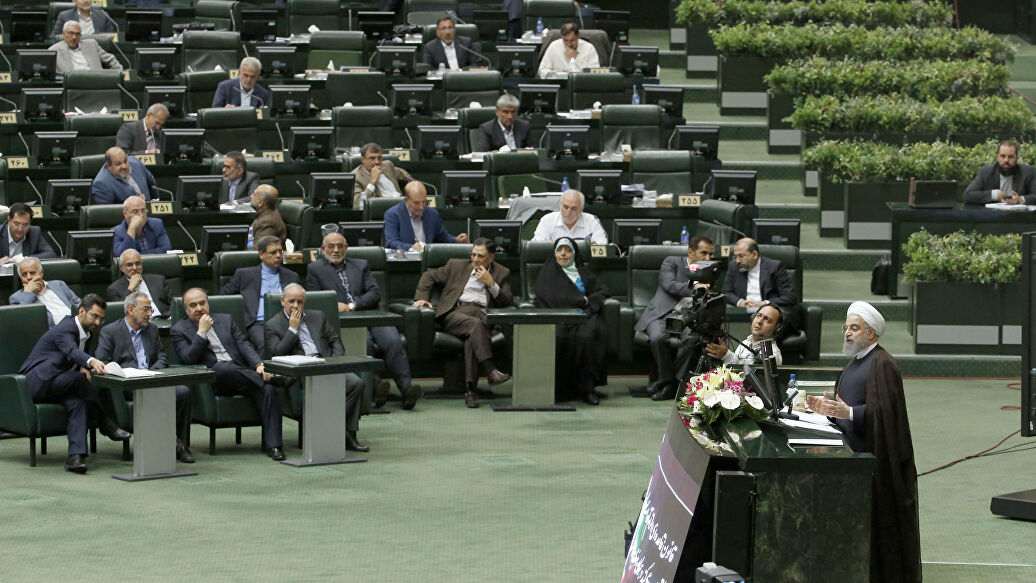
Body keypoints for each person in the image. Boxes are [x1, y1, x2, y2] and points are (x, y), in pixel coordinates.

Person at [807, 302, 921, 583]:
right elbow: (846, 407)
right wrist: (828, 409)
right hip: (852, 457)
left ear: (872, 333)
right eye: (846, 327)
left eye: (855, 328)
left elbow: (887, 414)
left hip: (875, 463)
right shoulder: (855, 362)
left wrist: (849, 413)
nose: (848, 333)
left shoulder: (882, 363)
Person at [307, 232, 422, 410]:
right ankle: (375, 386)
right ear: (323, 249)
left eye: (340, 246)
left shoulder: (361, 265)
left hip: (371, 314)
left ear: (346, 248)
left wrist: (352, 305)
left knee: (393, 341)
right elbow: (315, 299)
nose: (336, 250)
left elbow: (374, 293)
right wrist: (333, 305)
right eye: (331, 246)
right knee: (364, 344)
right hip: (345, 321)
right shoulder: (315, 269)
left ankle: (407, 389)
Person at [19, 294, 131, 474]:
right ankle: (105, 422)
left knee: (78, 403)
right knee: (80, 380)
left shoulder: (88, 332)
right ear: (81, 311)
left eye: (101, 319)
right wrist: (91, 361)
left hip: (60, 384)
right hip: (38, 383)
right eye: (94, 316)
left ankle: (75, 457)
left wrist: (85, 367)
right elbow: (71, 351)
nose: (97, 322)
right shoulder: (66, 328)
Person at [171, 288, 285, 461]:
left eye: (202, 303)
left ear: (208, 304)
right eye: (193, 305)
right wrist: (201, 333)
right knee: (222, 368)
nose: (199, 308)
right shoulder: (179, 330)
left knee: (268, 390)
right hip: (214, 380)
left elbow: (244, 345)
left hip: (241, 376)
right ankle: (275, 379)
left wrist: (259, 364)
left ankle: (274, 446)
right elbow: (188, 359)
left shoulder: (225, 320)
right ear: (186, 310)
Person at [265, 284, 369, 452]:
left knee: (356, 383)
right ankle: (340, 433)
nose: (295, 306)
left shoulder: (318, 317)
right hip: (302, 372)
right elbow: (277, 354)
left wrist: (332, 364)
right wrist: (293, 329)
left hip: (326, 366)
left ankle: (345, 432)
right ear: (283, 301)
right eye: (291, 301)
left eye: (300, 301)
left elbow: (335, 341)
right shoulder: (273, 325)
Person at [95, 291, 194, 463]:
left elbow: (162, 356)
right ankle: (173, 445)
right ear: (131, 310)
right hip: (128, 385)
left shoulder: (152, 330)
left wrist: (150, 372)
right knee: (151, 396)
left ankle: (181, 442)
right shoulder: (110, 331)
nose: (150, 314)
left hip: (153, 380)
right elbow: (102, 362)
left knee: (183, 392)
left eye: (151, 309)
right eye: (146, 309)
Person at [413, 238, 513, 408]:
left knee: (472, 336)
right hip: (455, 314)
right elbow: (428, 276)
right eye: (473, 254)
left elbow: (506, 300)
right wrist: (422, 298)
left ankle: (471, 391)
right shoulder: (456, 266)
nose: (475, 259)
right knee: (476, 326)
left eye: (480, 256)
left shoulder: (501, 273)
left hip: (483, 316)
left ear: (491, 257)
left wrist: (491, 283)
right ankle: (490, 370)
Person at [633, 236, 714, 400]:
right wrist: (695, 288)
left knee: (693, 340)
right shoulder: (672, 262)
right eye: (704, 253)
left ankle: (672, 383)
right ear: (691, 252)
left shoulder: (710, 270)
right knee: (657, 338)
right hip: (662, 314)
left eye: (710, 254)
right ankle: (667, 383)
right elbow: (669, 285)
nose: (708, 258)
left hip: (689, 317)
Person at [533, 237, 610, 405]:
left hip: (583, 315)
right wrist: (578, 299)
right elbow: (547, 296)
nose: (563, 254)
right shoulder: (548, 272)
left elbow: (603, 290)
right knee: (559, 338)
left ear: (574, 254)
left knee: (587, 337)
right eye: (559, 250)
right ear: (554, 253)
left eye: (568, 250)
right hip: (557, 316)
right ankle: (560, 390)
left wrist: (589, 301)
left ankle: (588, 389)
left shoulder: (582, 272)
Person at [220, 235, 300, 351]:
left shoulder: (291, 276)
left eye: (280, 251)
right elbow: (223, 297)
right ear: (261, 254)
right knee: (265, 345)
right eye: (273, 252)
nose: (278, 255)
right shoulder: (245, 275)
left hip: (286, 321)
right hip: (259, 324)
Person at [721, 237, 800, 332]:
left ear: (754, 254)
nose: (737, 260)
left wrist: (764, 303)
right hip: (743, 313)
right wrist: (740, 302)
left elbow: (790, 297)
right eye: (735, 257)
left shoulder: (774, 267)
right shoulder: (734, 266)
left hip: (768, 314)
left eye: (741, 256)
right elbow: (726, 292)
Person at [384, 182, 469, 251]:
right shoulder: (393, 214)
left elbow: (442, 238)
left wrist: (456, 240)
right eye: (416, 203)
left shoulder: (432, 214)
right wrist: (411, 247)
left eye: (424, 202)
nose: (421, 207)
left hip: (428, 261)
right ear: (406, 200)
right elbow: (392, 242)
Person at [703, 304, 784, 366]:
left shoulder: (773, 354)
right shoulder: (746, 342)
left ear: (777, 328)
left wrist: (726, 355)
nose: (759, 321)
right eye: (758, 316)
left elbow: (754, 373)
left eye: (767, 319)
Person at [10, 257, 80, 328]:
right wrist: (28, 293)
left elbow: (79, 304)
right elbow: (21, 319)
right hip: (55, 332)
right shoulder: (16, 298)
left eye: (32, 273)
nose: (29, 277)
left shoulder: (59, 284)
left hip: (78, 325)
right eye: (24, 274)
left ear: (41, 272)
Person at [963, 140, 1036, 205]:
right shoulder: (986, 172)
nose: (1006, 160)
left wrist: (1020, 200)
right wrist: (994, 194)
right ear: (997, 157)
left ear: (1016, 158)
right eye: (1003, 156)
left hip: (1018, 215)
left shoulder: (1027, 172)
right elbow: (967, 195)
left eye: (1011, 157)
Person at [107, 248, 172, 318]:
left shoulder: (158, 280)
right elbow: (119, 313)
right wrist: (131, 288)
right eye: (129, 265)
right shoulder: (114, 289)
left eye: (137, 263)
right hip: (138, 322)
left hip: (163, 319)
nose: (135, 268)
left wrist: (171, 316)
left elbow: (173, 302)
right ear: (121, 268)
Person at [531, 190, 608, 244]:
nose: (568, 212)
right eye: (565, 207)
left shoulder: (591, 221)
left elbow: (602, 245)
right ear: (560, 206)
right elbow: (538, 246)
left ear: (581, 209)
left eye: (573, 208)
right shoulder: (547, 220)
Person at [351, 143, 413, 209]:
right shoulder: (356, 177)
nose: (377, 162)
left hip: (403, 204)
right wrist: (372, 183)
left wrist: (413, 185)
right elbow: (357, 204)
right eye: (372, 158)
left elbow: (404, 175)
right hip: (383, 209)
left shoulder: (387, 165)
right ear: (363, 159)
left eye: (379, 158)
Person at [50, 21, 122, 74]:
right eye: (71, 33)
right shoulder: (54, 50)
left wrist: (118, 73)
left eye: (77, 34)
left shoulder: (92, 44)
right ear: (63, 33)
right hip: (72, 85)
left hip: (96, 82)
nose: (74, 37)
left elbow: (111, 59)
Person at [92, 147, 158, 205]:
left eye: (125, 161)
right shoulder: (101, 184)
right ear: (109, 166)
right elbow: (106, 212)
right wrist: (134, 205)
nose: (124, 166)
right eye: (118, 164)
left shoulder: (135, 163)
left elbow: (152, 186)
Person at [52, 0, 117, 37]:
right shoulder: (65, 16)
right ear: (74, 1)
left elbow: (111, 39)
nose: (86, 1)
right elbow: (54, 38)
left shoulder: (103, 15)